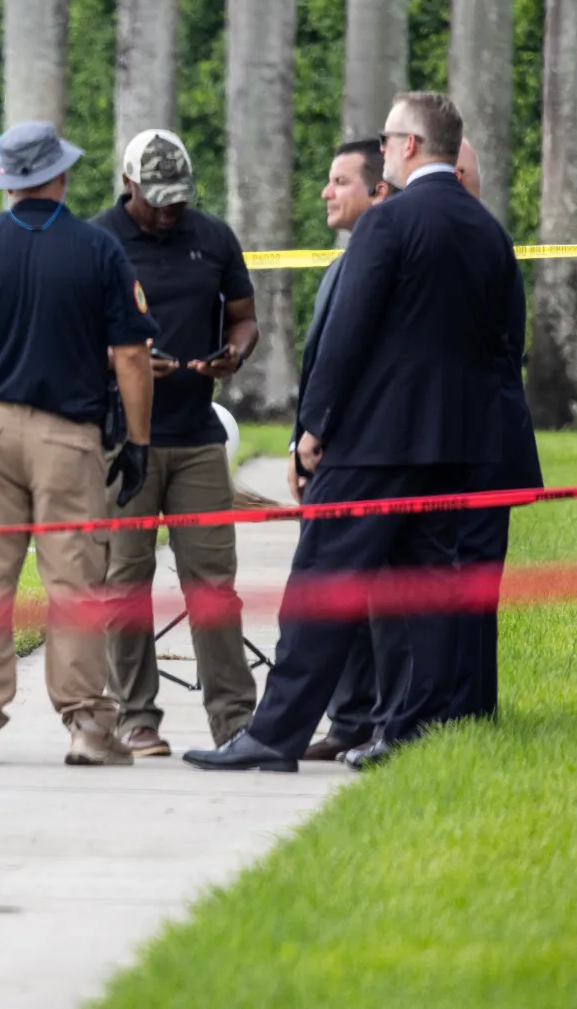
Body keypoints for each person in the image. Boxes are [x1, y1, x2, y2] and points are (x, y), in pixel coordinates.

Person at [185, 92, 518, 774]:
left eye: (391, 137)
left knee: (321, 585)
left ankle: (274, 734)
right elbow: (503, 339)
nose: (386, 147)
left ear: (410, 147)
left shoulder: (390, 222)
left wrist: (314, 427)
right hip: (451, 446)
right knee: (428, 591)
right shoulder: (488, 231)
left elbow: (347, 334)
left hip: (373, 444)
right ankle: (408, 729)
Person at [0, 121, 157, 767]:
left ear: (8, 180)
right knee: (74, 583)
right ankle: (86, 726)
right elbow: (132, 355)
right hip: (69, 436)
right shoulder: (99, 249)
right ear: (61, 174)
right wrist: (137, 441)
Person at [93, 130, 260, 757]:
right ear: (129, 185)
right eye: (156, 199)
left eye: (178, 200)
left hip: (195, 437)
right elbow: (79, 330)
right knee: (124, 582)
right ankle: (136, 715)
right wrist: (126, 365)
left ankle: (235, 719)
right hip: (127, 442)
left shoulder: (212, 237)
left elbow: (244, 316)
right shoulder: (100, 240)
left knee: (213, 583)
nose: (169, 211)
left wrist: (234, 354)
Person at [298, 136, 402, 762]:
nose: (326, 192)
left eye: (340, 182)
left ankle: (381, 719)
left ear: (378, 190)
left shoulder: (386, 266)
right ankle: (349, 718)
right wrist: (298, 441)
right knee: (342, 598)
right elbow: (320, 362)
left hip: (366, 456)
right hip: (325, 453)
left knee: (376, 597)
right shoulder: (342, 263)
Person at [446, 138, 541, 722]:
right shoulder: (488, 237)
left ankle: (465, 707)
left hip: (471, 437)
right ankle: (474, 706)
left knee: (465, 577)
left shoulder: (464, 242)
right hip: (491, 430)